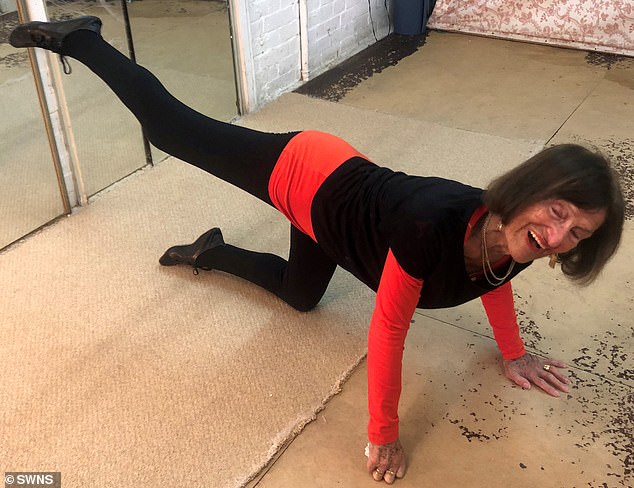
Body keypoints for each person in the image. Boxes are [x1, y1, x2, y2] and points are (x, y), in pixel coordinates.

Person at [10, 16, 625, 484]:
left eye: (577, 233)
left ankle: (210, 252)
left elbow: (494, 276)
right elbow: (388, 330)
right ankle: (82, 38)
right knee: (171, 129)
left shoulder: (516, 239)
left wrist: (513, 353)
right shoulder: (430, 226)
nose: (557, 237)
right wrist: (383, 433)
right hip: (306, 172)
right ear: (529, 190)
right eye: (557, 212)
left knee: (301, 297)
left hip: (332, 221)